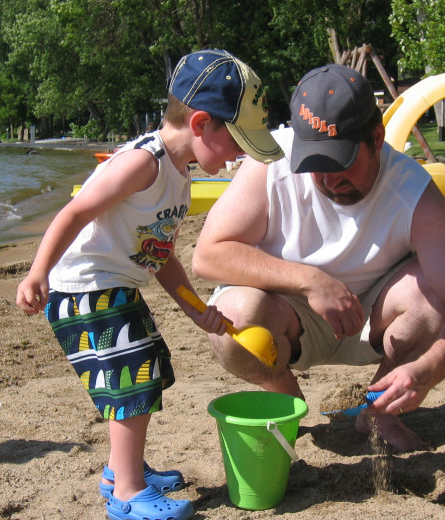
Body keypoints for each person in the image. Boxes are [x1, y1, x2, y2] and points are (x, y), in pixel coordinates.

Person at [16, 49, 282, 520]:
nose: (242, 154)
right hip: (84, 287)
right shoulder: (143, 163)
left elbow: (159, 257)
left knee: (148, 369)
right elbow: (76, 211)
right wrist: (38, 272)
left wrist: (196, 309)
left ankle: (124, 470)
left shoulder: (180, 178)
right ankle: (127, 494)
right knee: (129, 379)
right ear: (200, 124)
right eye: (238, 141)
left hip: (116, 286)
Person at [191, 64, 445, 452]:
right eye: (315, 164)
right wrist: (310, 280)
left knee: (436, 296)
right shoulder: (271, 162)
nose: (329, 180)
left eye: (340, 161)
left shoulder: (413, 189)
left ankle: (379, 412)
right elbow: (207, 255)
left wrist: (426, 371)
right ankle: (286, 398)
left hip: (373, 317)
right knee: (233, 317)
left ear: (377, 138)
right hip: (287, 313)